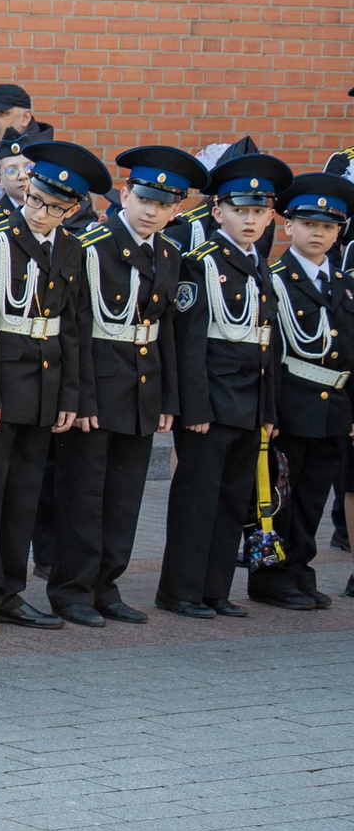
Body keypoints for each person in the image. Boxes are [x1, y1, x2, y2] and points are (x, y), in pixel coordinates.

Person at [46, 146, 197, 626]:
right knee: (84, 496)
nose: (152, 211)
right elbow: (74, 329)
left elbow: (166, 330)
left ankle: (106, 587)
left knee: (125, 497)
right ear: (125, 194)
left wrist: (169, 399)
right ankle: (72, 590)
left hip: (141, 393)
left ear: (178, 209)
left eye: (165, 204)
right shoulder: (91, 244)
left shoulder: (170, 253)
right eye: (145, 199)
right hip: (98, 390)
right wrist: (80, 397)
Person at [0, 140, 99, 634]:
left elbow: (74, 328)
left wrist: (70, 397)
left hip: (45, 387)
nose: (39, 212)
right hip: (0, 385)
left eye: (55, 207)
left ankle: (9, 593)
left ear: (73, 209)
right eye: (35, 199)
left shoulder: (73, 248)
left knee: (24, 496)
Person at [158, 152, 290, 619]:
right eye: (240, 210)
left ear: (270, 215)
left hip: (249, 407)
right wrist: (192, 408)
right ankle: (180, 591)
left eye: (258, 211)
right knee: (197, 501)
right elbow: (188, 345)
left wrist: (268, 411)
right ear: (217, 212)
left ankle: (215, 589)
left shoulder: (261, 267)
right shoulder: (201, 263)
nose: (250, 220)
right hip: (210, 406)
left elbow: (265, 349)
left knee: (233, 501)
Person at [246, 174, 354, 611]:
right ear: (289, 226)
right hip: (290, 404)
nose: (318, 234)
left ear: (339, 232)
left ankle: (300, 571)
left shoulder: (345, 284)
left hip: (334, 408)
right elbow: (269, 353)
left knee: (312, 495)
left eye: (328, 227)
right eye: (309, 224)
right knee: (279, 497)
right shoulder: (273, 279)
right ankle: (271, 578)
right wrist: (267, 412)